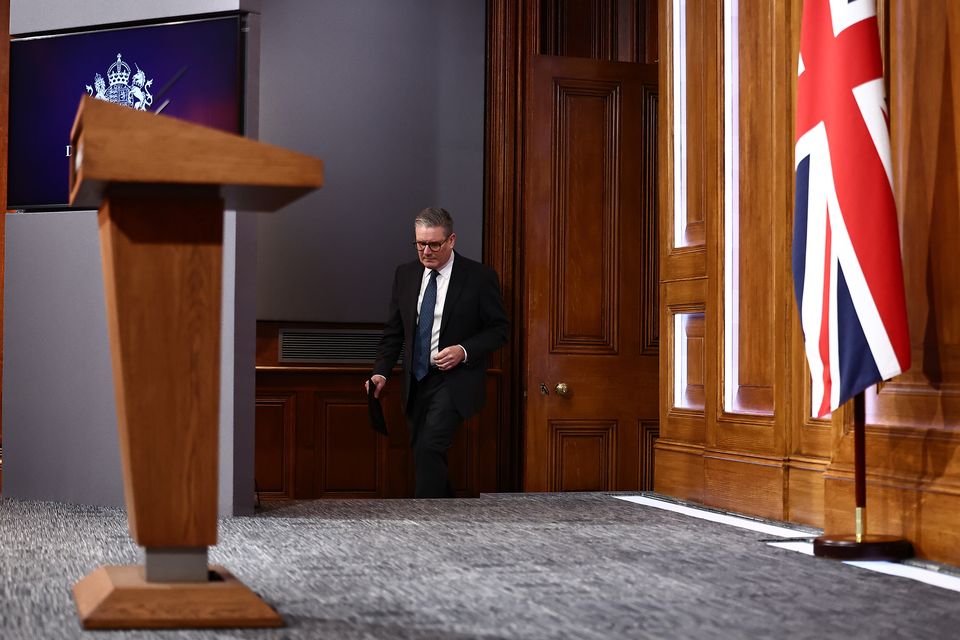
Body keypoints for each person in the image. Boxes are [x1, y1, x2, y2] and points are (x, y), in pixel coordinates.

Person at [368, 207, 509, 498]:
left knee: (430, 446)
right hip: (415, 381)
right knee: (423, 450)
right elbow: (394, 331)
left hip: (454, 381)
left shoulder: (479, 277)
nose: (427, 251)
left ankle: (425, 524)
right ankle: (446, 517)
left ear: (451, 240)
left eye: (434, 244)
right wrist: (380, 371)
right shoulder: (405, 275)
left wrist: (464, 350)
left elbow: (499, 330)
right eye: (421, 244)